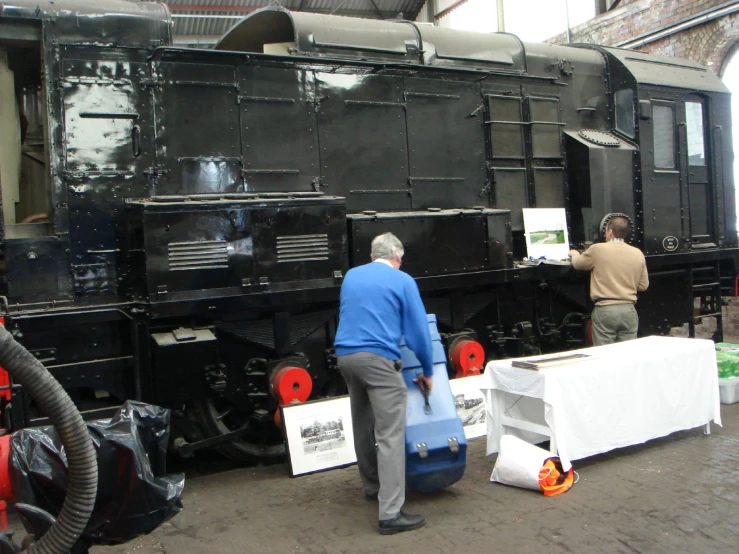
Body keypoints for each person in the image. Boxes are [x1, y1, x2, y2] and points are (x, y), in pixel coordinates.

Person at [334, 232, 433, 535]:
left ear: (371, 256)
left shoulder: (351, 275)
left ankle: (372, 487)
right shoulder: (403, 281)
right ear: (398, 258)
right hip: (377, 361)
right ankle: (390, 513)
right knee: (389, 433)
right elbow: (418, 332)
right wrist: (427, 370)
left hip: (345, 357)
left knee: (363, 423)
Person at [569, 216, 649, 345]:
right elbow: (643, 285)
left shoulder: (597, 249)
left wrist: (574, 254)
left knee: (605, 356)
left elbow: (578, 264)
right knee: (627, 355)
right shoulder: (637, 253)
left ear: (610, 232)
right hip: (628, 310)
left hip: (605, 310)